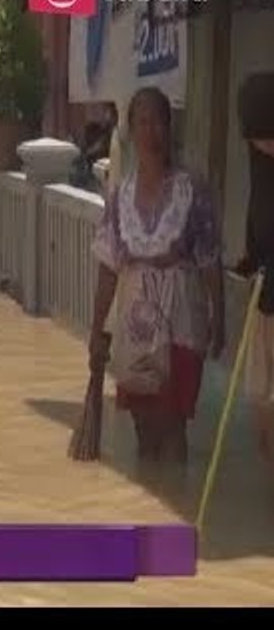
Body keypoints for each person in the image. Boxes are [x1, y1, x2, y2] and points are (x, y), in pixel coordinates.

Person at [88, 87, 225, 465]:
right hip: (136, 329)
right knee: (143, 428)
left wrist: (220, 317)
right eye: (143, 122)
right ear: (131, 130)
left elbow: (210, 258)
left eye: (159, 121)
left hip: (182, 325)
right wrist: (97, 328)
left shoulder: (191, 190)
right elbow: (108, 266)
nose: (152, 131)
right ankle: (150, 511)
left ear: (170, 127)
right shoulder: (120, 197)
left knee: (172, 424)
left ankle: (172, 507)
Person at [235, 72, 274, 465]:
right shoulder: (259, 160)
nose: (261, 147)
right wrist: (251, 255)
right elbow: (258, 212)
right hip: (263, 303)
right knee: (259, 403)